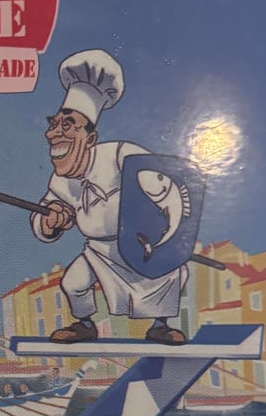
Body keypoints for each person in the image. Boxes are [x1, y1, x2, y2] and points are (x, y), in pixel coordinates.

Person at [31, 50, 187, 344]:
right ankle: (85, 324)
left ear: (90, 138)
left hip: (139, 247)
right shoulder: (60, 180)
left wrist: (160, 227)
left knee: (166, 279)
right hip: (98, 251)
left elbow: (164, 182)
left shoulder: (120, 155)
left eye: (67, 125)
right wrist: (50, 221)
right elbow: (44, 212)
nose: (53, 134)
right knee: (73, 283)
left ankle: (161, 325)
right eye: (54, 124)